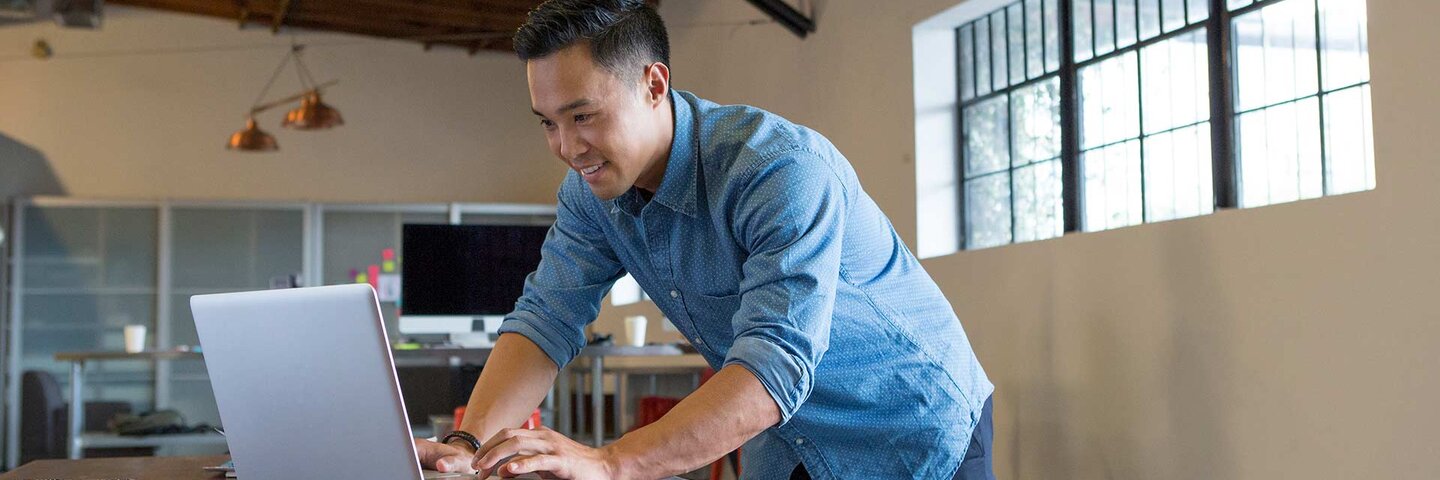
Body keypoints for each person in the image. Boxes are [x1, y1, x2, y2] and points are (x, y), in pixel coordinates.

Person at [413, 1, 995, 478]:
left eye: (583, 116)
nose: (567, 147)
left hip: (908, 426)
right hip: (784, 436)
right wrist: (467, 445)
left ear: (653, 83)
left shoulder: (776, 169)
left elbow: (776, 363)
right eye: (548, 122)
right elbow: (546, 317)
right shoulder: (589, 194)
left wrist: (611, 463)